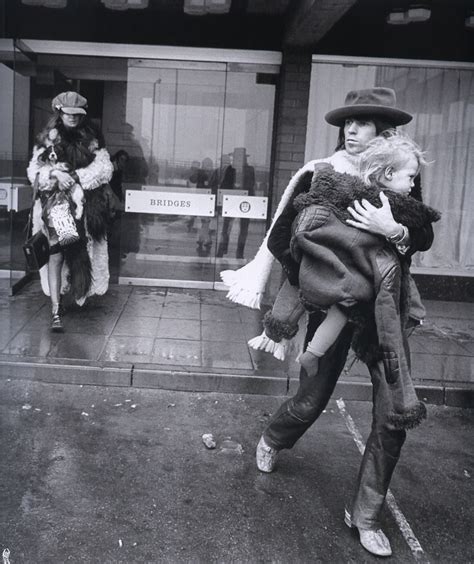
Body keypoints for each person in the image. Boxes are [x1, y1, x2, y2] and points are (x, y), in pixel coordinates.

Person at [222, 88, 434, 557]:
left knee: (392, 415)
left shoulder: (400, 172)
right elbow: (284, 240)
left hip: (385, 311)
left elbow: (422, 233)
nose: (352, 130)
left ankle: (366, 516)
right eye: (348, 122)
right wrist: (328, 277)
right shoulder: (322, 174)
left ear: (385, 132)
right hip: (336, 303)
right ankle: (274, 437)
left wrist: (390, 230)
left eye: (363, 123)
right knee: (312, 397)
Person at [248, 132, 440, 387]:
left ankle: (297, 341)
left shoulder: (345, 184)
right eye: (411, 178)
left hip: (336, 269)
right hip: (361, 276)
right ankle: (319, 353)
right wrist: (426, 215)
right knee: (392, 313)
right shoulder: (393, 202)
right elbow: (423, 221)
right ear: (390, 174)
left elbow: (422, 236)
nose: (413, 185)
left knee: (323, 306)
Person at [26, 91, 114, 331]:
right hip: (59, 207)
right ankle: (56, 308)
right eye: (68, 113)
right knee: (57, 253)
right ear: (59, 112)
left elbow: (105, 169)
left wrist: (75, 176)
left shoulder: (93, 138)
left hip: (86, 209)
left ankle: (77, 293)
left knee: (79, 251)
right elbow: (34, 171)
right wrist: (55, 174)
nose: (72, 118)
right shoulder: (47, 139)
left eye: (77, 114)